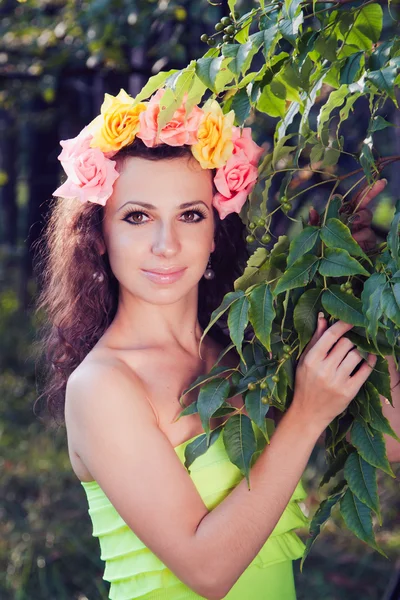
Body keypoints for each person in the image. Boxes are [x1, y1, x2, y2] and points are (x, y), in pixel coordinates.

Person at [34, 87, 400, 600]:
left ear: (214, 235)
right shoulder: (104, 386)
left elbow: (389, 439)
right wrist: (305, 416)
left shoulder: (240, 350)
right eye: (137, 217)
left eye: (190, 214)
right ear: (100, 236)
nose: (167, 245)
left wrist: (363, 289)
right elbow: (208, 571)